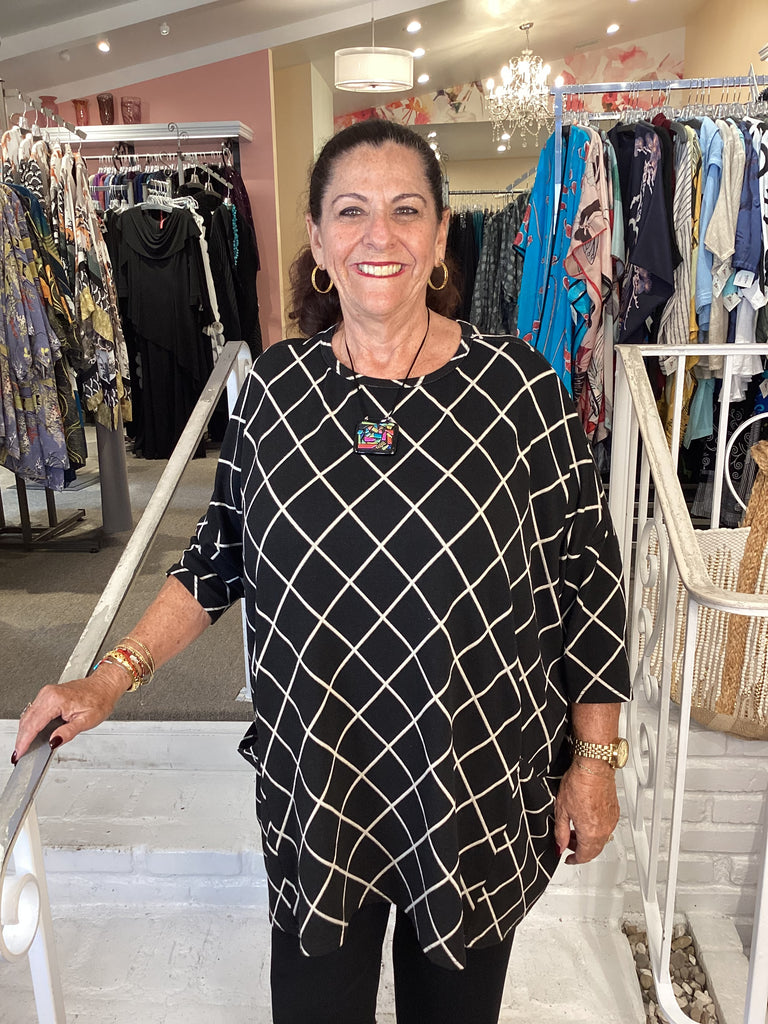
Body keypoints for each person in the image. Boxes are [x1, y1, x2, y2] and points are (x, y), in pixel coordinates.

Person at [12, 119, 631, 1024]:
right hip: (321, 781)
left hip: (472, 774)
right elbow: (217, 557)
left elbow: (588, 578)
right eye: (351, 211)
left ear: (441, 235)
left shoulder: (518, 388)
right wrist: (108, 679)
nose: (380, 236)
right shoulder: (276, 390)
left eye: (406, 210)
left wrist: (596, 761)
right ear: (317, 239)